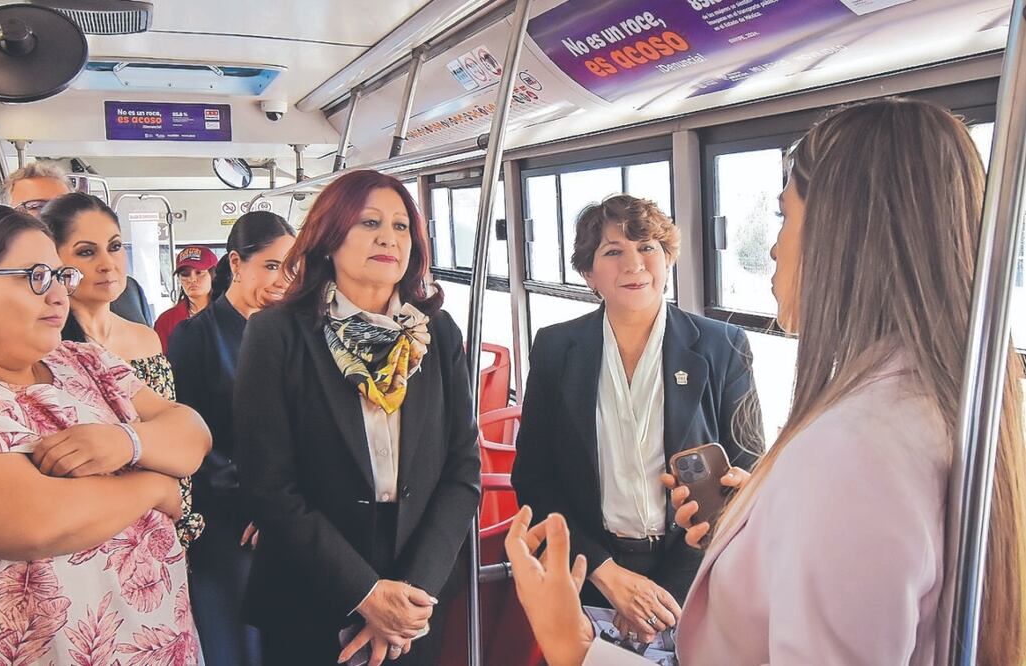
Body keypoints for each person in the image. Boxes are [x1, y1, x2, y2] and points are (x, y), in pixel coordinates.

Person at [506, 98, 1026, 665]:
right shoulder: (936, 408)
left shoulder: (849, 453)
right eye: (614, 252)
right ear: (589, 273)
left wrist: (575, 648)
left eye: (784, 215)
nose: (775, 247)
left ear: (842, 232)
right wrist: (743, 523)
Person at [233, 169, 481, 666]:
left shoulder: (436, 335)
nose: (388, 236)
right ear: (329, 238)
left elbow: (462, 470)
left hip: (417, 587)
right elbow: (268, 485)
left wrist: (411, 594)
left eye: (401, 226)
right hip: (310, 583)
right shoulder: (276, 334)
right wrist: (365, 592)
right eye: (369, 223)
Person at [0, 205, 212, 663]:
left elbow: (192, 433)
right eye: (34, 277)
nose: (57, 296)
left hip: (160, 644)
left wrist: (123, 443)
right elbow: (35, 521)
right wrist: (154, 483)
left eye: (58, 276)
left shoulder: (84, 361)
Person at [511, 193, 762, 642]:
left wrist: (663, 595)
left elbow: (748, 477)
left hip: (693, 572)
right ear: (589, 274)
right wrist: (608, 575)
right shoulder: (555, 349)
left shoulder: (723, 347)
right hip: (590, 572)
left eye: (647, 247)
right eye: (613, 251)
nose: (634, 264)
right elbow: (534, 478)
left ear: (667, 259)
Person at [166, 210, 296, 666]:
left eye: (293, 267)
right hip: (227, 517)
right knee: (236, 643)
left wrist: (283, 504)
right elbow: (191, 437)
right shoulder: (194, 337)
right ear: (237, 264)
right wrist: (259, 502)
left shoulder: (293, 334)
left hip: (288, 514)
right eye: (273, 266)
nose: (284, 280)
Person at [42, 192, 205, 550]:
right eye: (86, 252)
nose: (107, 263)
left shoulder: (146, 338)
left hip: (165, 521)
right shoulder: (47, 351)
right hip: (91, 529)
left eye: (115, 247)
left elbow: (180, 435)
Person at [4, 162, 153, 325]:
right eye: (37, 206)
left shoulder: (128, 292)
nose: (54, 216)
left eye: (64, 207)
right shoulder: (6, 294)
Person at [155, 246, 218, 352]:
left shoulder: (231, 314)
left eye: (199, 272)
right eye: (185, 274)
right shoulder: (166, 321)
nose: (192, 279)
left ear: (213, 275)